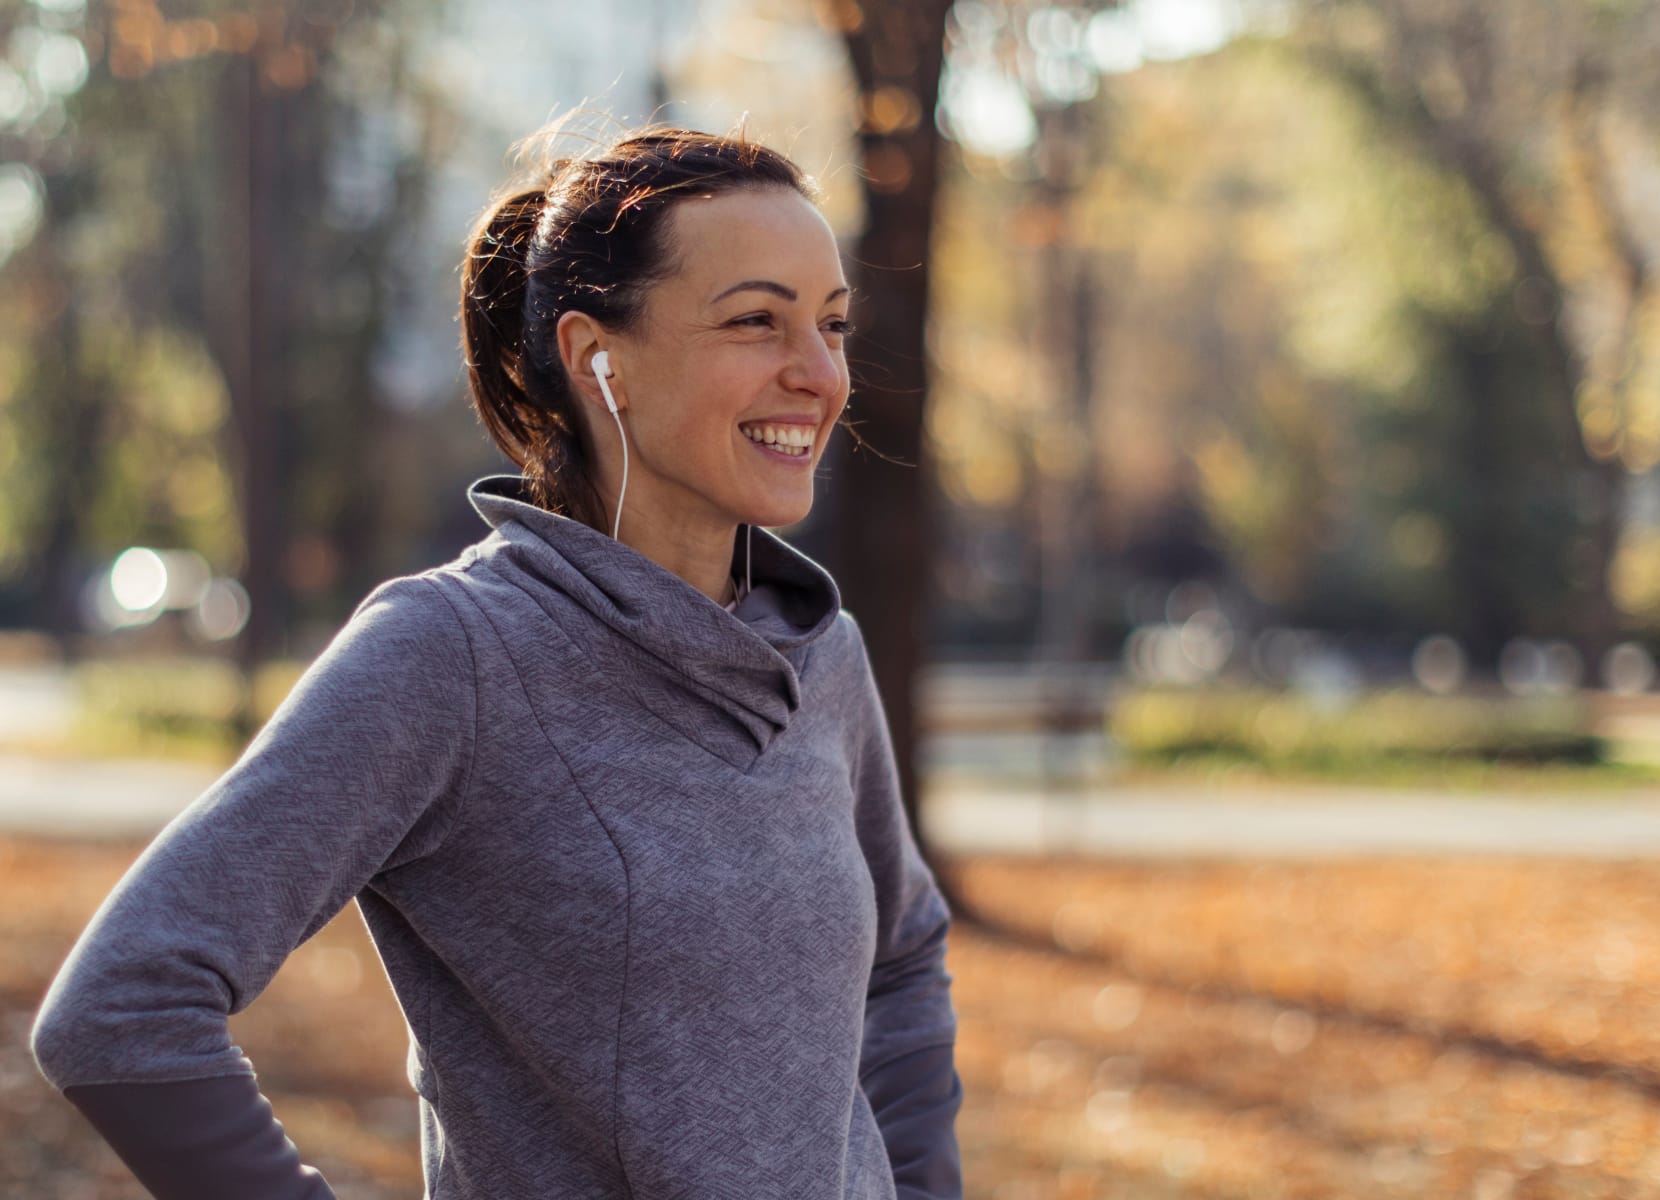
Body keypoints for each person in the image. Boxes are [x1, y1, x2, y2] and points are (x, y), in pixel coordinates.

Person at [29, 123, 964, 1200]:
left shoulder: (820, 655)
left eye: (833, 325)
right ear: (592, 355)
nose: (816, 374)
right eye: (755, 321)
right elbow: (122, 1006)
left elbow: (902, 956)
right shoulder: (452, 656)